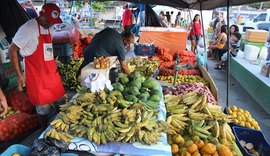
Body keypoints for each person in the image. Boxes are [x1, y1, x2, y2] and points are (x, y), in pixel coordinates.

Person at [8, 3, 65, 128]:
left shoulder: (50, 27)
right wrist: (19, 75)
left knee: (62, 102)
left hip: (51, 73)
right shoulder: (28, 28)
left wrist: (52, 59)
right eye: (48, 20)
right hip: (36, 75)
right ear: (40, 14)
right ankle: (43, 131)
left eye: (52, 22)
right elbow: (12, 50)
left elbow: (47, 48)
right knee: (43, 109)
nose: (50, 24)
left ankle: (61, 126)